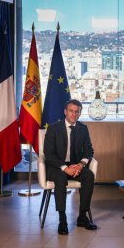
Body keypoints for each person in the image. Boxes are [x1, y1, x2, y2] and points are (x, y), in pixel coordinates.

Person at [44, 99, 97, 235]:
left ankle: (82, 217)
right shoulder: (53, 128)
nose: (73, 114)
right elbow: (48, 154)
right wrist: (64, 167)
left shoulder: (83, 128)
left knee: (89, 176)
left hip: (75, 166)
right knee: (61, 177)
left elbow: (89, 151)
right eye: (71, 111)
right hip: (57, 167)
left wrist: (81, 164)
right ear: (65, 112)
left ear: (80, 113)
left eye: (76, 112)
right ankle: (62, 220)